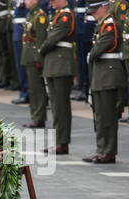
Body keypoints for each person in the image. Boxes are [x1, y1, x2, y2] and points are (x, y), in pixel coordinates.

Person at [82, 0, 126, 163]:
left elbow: (100, 48)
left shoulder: (110, 25)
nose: (93, 13)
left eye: (95, 10)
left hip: (108, 75)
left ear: (104, 7)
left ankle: (108, 151)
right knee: (100, 116)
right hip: (101, 75)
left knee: (108, 116)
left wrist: (91, 54)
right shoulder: (102, 25)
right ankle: (101, 149)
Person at [40, 0, 76, 155]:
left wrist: (41, 49)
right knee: (55, 105)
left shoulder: (66, 16)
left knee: (61, 106)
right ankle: (58, 141)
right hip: (54, 64)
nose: (51, 2)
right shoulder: (58, 15)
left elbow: (53, 39)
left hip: (61, 64)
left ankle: (62, 142)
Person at [21, 0, 49, 128]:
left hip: (34, 56)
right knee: (32, 89)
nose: (25, 1)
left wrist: (39, 58)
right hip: (29, 55)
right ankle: (35, 116)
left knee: (37, 89)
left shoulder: (40, 15)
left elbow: (41, 38)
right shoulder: (31, 14)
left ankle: (39, 117)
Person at [72, 0, 96, 102]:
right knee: (83, 64)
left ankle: (88, 90)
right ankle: (85, 89)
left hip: (89, 32)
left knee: (88, 65)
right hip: (82, 31)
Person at [11, 0, 31, 104]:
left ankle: (27, 93)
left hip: (24, 31)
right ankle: (24, 91)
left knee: (25, 65)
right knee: (20, 65)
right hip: (17, 31)